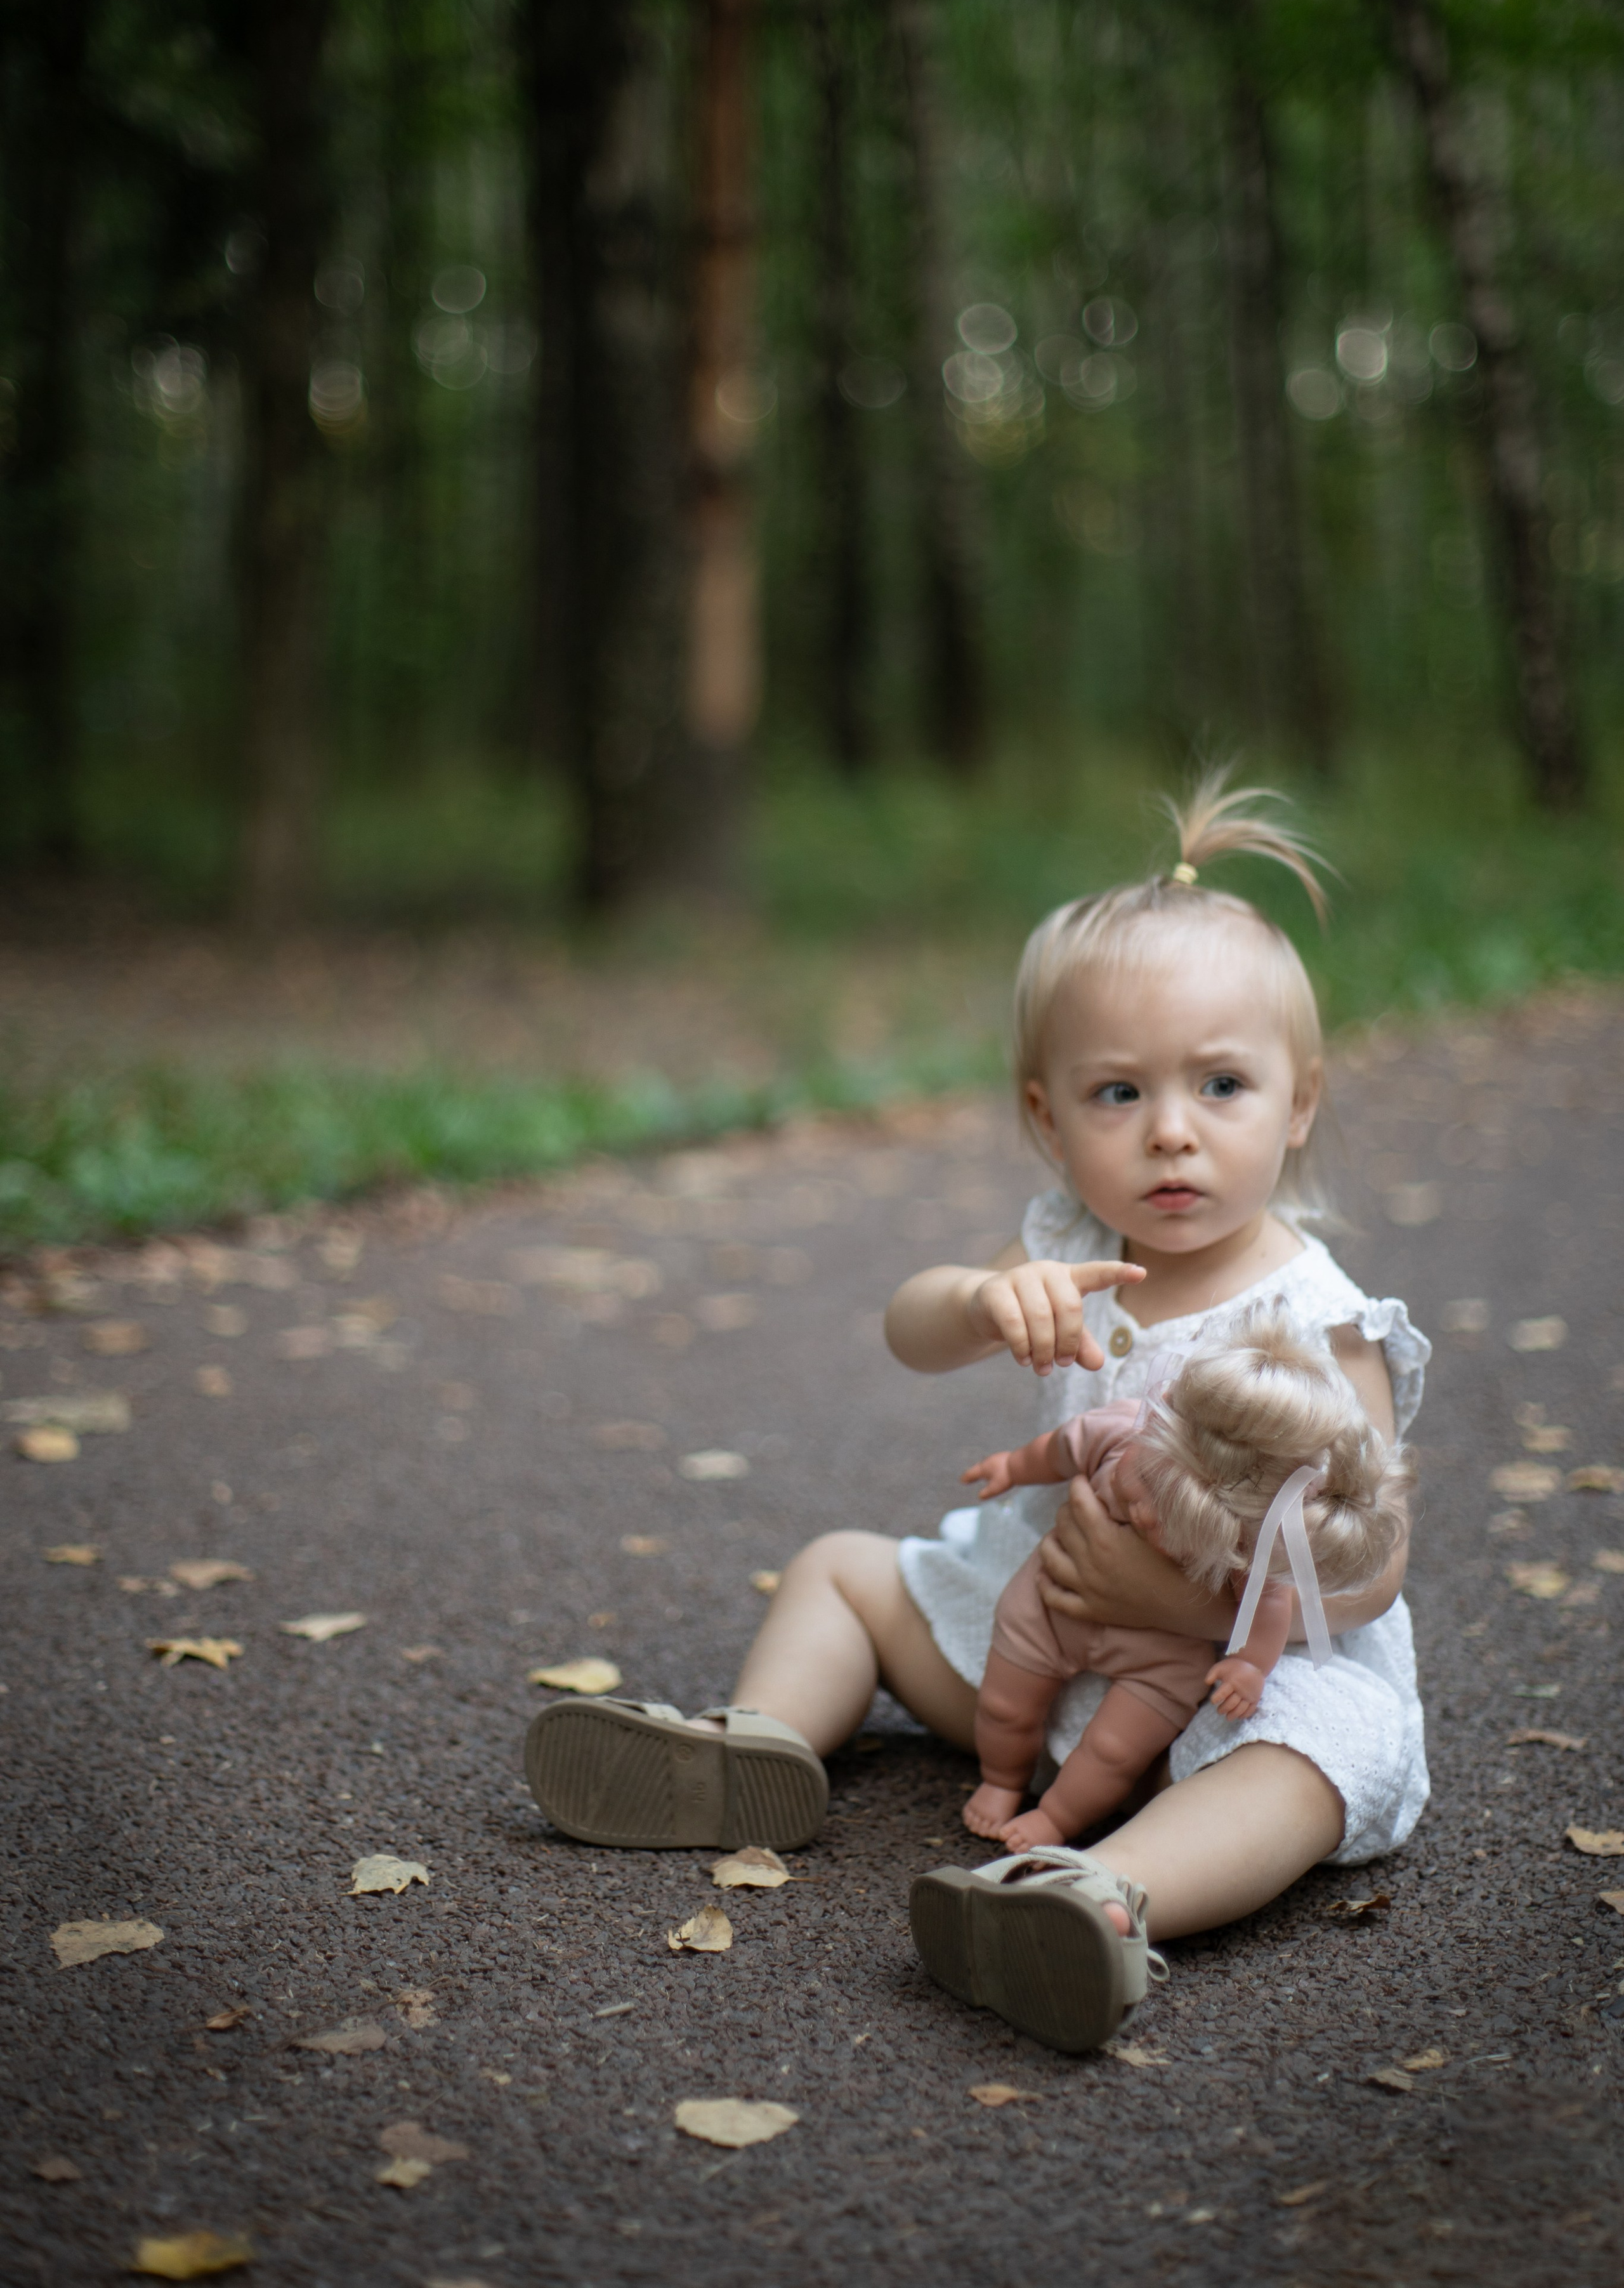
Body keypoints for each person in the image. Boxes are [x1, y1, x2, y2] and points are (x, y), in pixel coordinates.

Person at [524, 770, 1431, 2053]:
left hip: (1227, 1684)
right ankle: (751, 1750)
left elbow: (1372, 1562)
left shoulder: (1319, 1318)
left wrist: (1202, 1602)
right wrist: (976, 1299)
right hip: (1037, 1639)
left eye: (1219, 1087)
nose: (1170, 1133)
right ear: (1044, 1120)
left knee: (1317, 1756)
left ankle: (1100, 1900)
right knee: (843, 1572)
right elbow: (908, 1332)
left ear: (1300, 1103)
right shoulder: (1061, 1258)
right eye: (1118, 1094)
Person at [960, 1307, 1413, 1853]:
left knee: (1114, 1751)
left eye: (1177, 1528)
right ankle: (1002, 1780)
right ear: (1152, 1426)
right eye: (1145, 1483)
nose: (1146, 1514)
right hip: (1053, 1601)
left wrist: (1249, 1664)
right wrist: (1013, 1467)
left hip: (1163, 1654)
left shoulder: (1250, 1536)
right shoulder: (1122, 1431)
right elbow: (1060, 1448)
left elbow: (1268, 1603)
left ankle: (1057, 1819)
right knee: (1006, 1704)